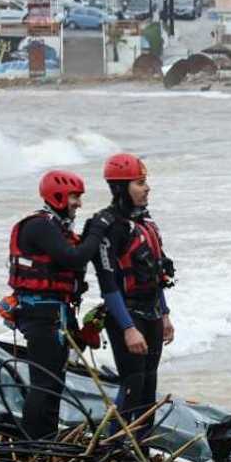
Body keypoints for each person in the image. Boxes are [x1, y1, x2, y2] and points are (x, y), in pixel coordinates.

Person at [5, 170, 114, 438]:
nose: (78, 203)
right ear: (57, 196)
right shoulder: (39, 226)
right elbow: (74, 258)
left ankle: (47, 440)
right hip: (40, 314)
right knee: (44, 383)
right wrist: (97, 229)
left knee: (55, 382)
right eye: (74, 197)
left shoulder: (57, 227)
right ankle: (34, 445)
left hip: (57, 313)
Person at [91, 153, 175, 436]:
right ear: (120, 187)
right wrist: (128, 328)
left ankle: (142, 445)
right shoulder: (109, 226)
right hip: (125, 314)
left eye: (146, 182)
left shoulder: (146, 222)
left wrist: (165, 314)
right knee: (133, 383)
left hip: (151, 312)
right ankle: (114, 446)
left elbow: (157, 275)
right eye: (140, 183)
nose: (147, 188)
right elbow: (108, 284)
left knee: (149, 384)